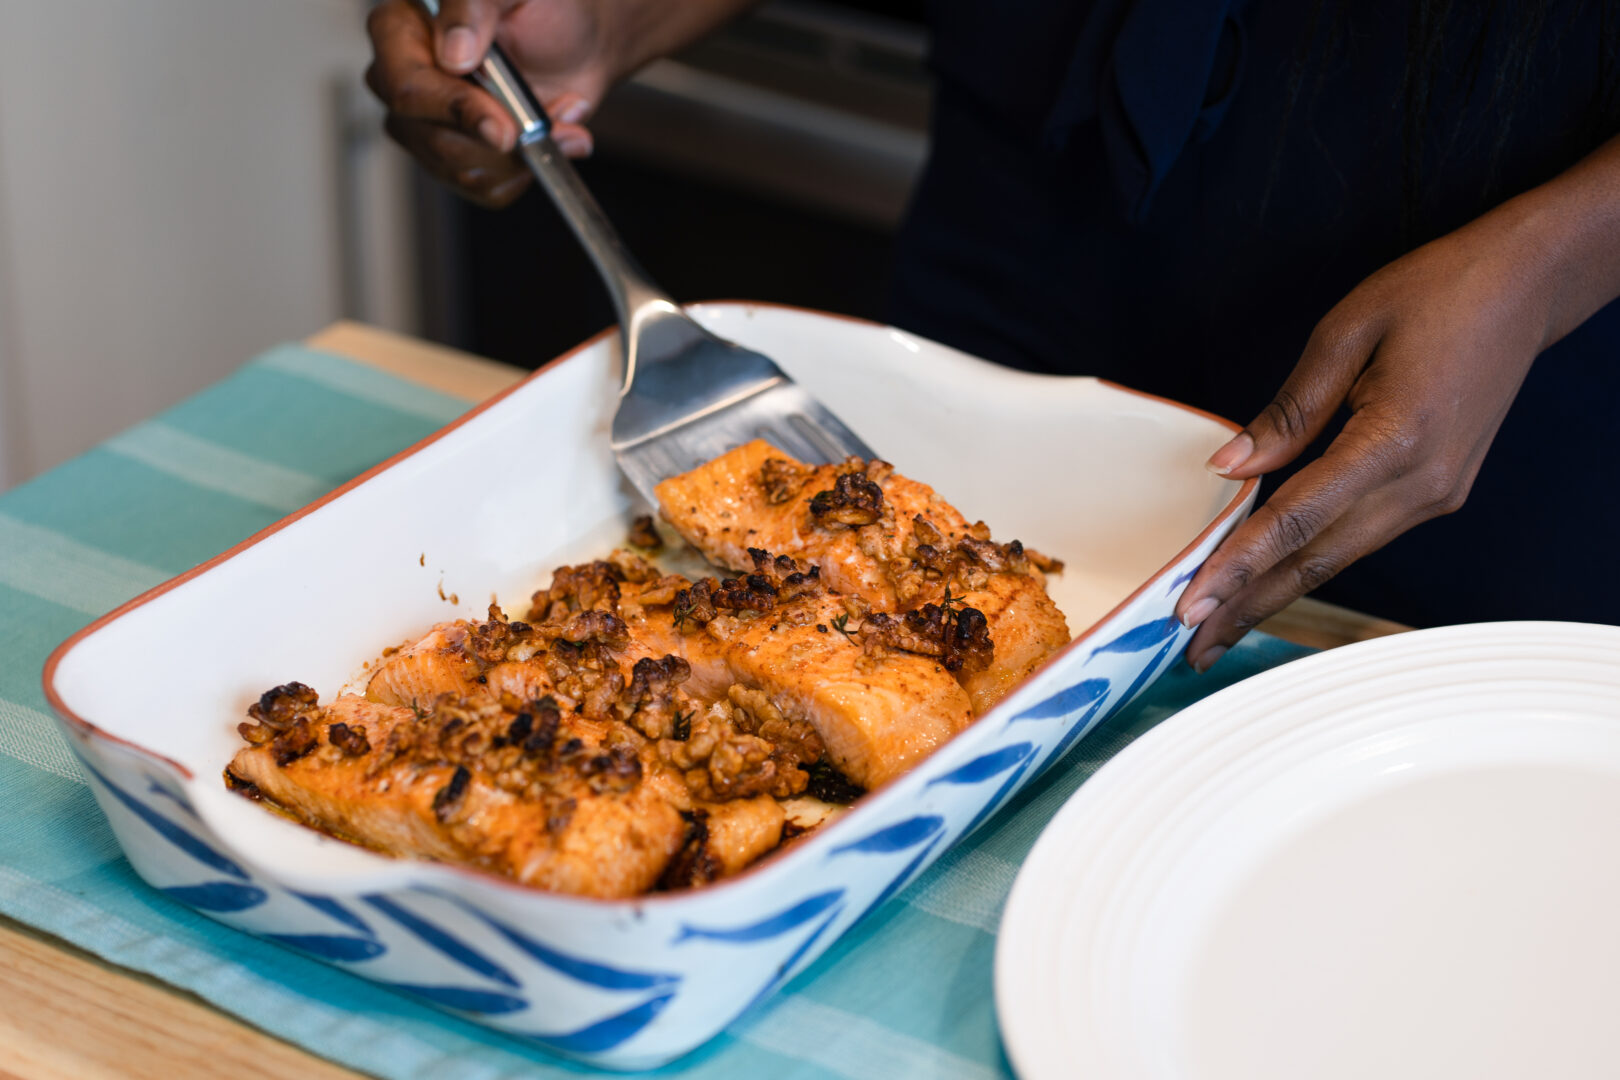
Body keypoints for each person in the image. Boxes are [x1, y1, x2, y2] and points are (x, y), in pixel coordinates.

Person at [365, 0, 1620, 671]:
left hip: (1503, 338)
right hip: (1036, 200)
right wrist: (623, 16)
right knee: (927, 576)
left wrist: (1554, 256)